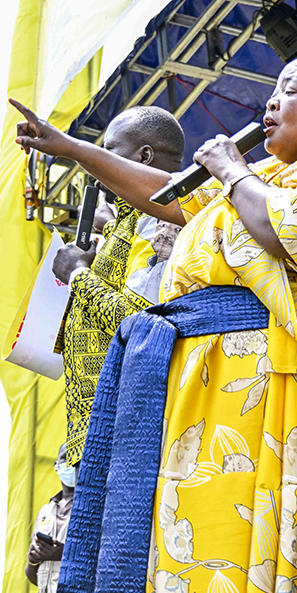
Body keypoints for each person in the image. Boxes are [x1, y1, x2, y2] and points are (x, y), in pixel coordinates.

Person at [13, 48, 297, 593]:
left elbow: (282, 231)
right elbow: (167, 195)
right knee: (202, 557)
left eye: (290, 89)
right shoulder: (260, 183)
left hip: (289, 392)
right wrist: (72, 149)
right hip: (214, 398)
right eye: (273, 88)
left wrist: (231, 169)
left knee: (280, 556)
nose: (271, 101)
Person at [48, 105, 186, 466]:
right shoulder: (131, 219)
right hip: (103, 426)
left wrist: (78, 273)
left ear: (143, 155)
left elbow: (141, 322)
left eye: (109, 151)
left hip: (128, 426)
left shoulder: (161, 222)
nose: (97, 166)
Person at [25, 444, 75, 593]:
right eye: (65, 458)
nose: (70, 464)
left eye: (75, 460)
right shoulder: (46, 511)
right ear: (56, 465)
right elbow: (33, 576)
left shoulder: (91, 507)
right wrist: (33, 559)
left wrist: (63, 553)